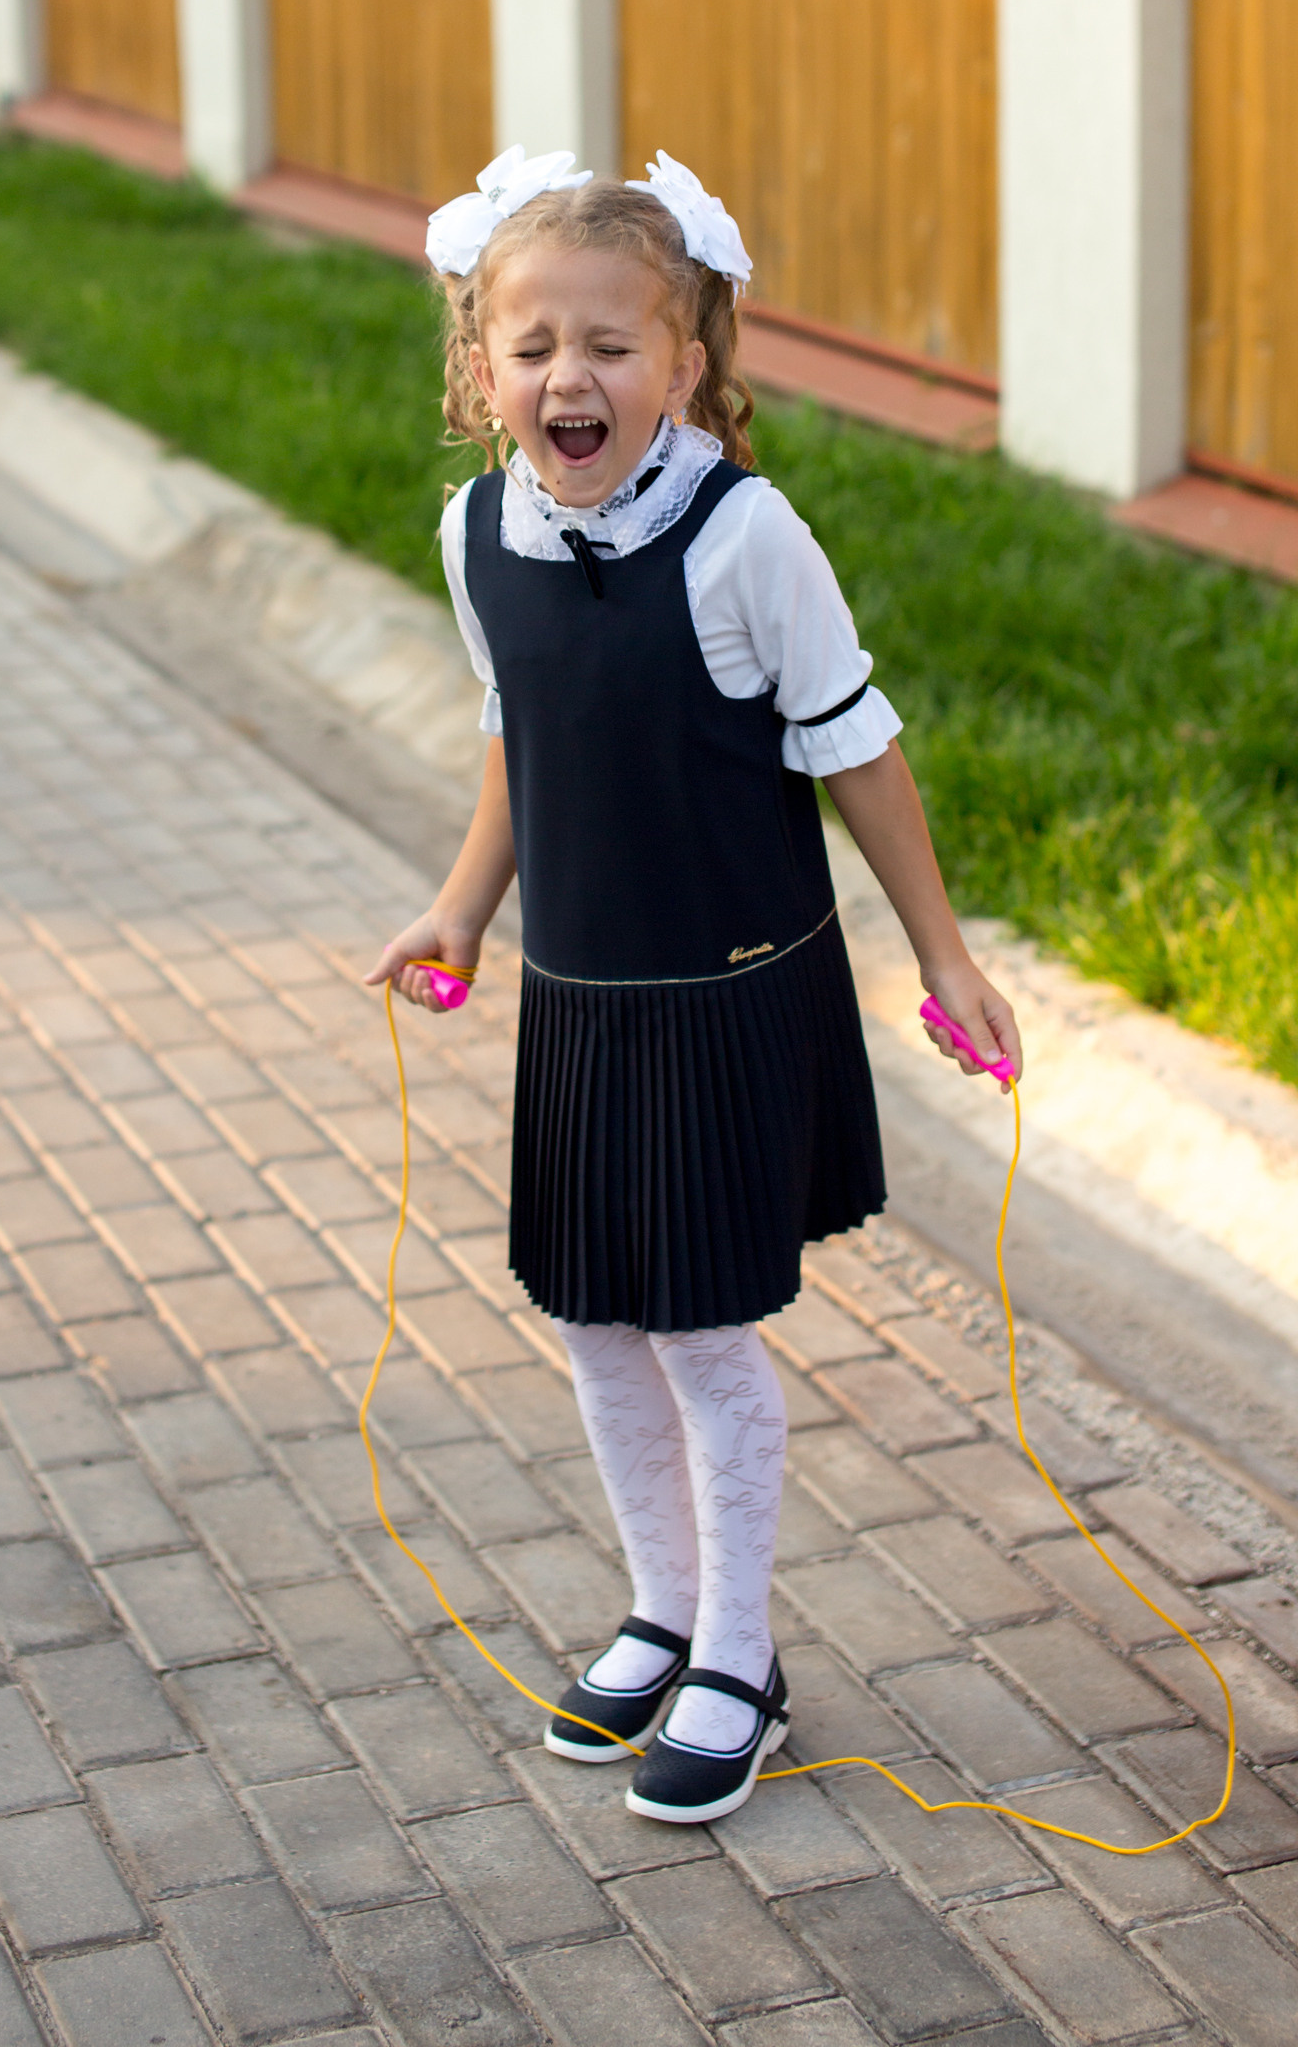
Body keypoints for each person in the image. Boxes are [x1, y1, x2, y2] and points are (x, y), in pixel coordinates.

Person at [367, 145, 1021, 1825]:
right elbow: (523, 736)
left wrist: (942, 955)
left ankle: (742, 1649)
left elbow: (856, 749)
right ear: (481, 371)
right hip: (580, 993)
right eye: (533, 348)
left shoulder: (744, 537)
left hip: (728, 998)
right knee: (592, 1316)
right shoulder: (477, 533)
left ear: (685, 366)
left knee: (701, 1331)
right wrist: (457, 914)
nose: (569, 378)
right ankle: (661, 1609)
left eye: (610, 345)